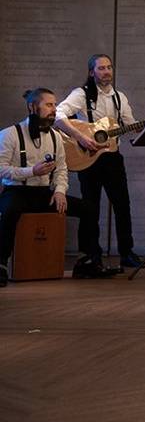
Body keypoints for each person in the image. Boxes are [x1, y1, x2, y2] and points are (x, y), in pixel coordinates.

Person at [0, 88, 110, 286]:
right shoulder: (9, 135)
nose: (54, 109)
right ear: (33, 107)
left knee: (89, 208)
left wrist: (60, 191)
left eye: (55, 105)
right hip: (16, 191)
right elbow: (1, 170)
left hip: (44, 194)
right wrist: (31, 171)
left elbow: (61, 170)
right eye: (49, 105)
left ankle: (86, 261)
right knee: (9, 210)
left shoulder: (56, 137)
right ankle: (0, 264)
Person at [55, 54, 142, 268]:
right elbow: (58, 114)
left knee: (123, 205)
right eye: (101, 68)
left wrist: (143, 127)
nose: (106, 71)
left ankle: (126, 252)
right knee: (90, 207)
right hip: (89, 158)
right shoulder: (81, 94)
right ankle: (91, 253)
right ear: (91, 72)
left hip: (112, 158)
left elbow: (130, 124)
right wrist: (81, 137)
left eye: (109, 67)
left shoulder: (119, 97)